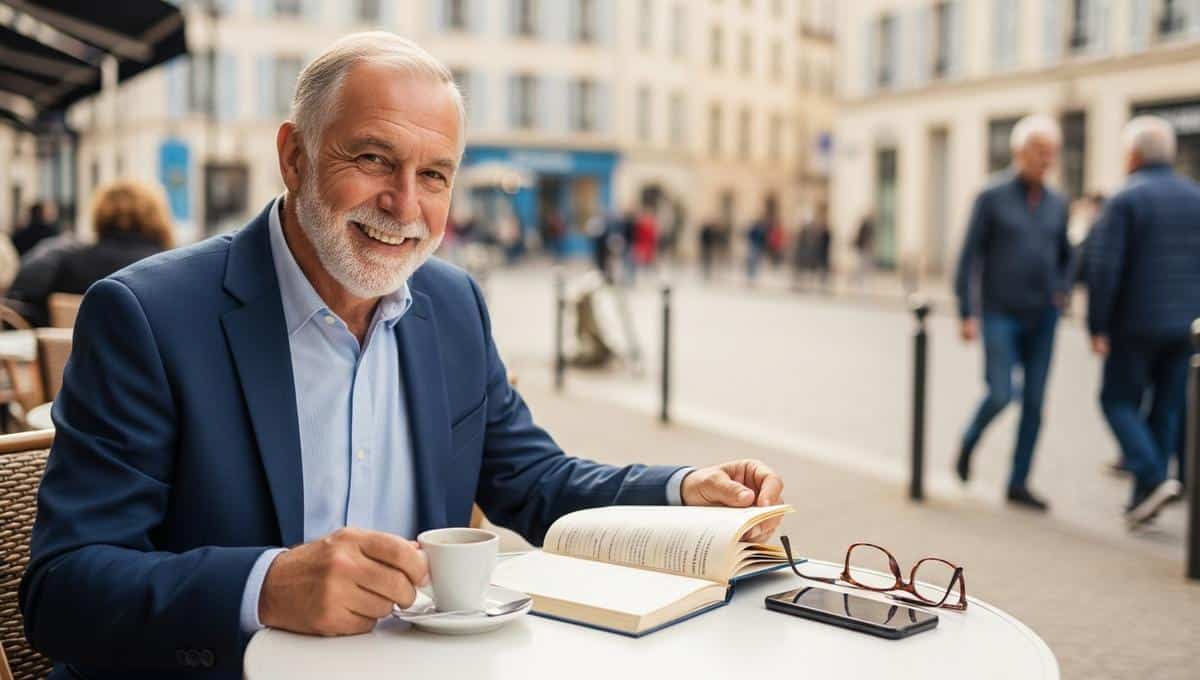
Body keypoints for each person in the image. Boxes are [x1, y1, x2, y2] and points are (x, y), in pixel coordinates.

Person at [19, 33, 785, 680]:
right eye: (375, 160)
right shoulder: (148, 316)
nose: (405, 205)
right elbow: (62, 590)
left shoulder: (452, 306)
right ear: (295, 157)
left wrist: (686, 490)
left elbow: (532, 480)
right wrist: (266, 587)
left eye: (435, 176)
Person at [952, 114, 1071, 512]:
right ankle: (969, 441)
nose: (1046, 160)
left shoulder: (1057, 203)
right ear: (1019, 152)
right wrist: (967, 311)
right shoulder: (992, 196)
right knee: (1001, 393)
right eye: (1040, 152)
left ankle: (1018, 482)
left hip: (1043, 316)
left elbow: (1067, 257)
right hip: (1000, 312)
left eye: (1051, 153)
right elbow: (968, 256)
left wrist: (1063, 290)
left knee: (1035, 403)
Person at [1087, 116, 1200, 528]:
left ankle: (1152, 477)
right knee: (1166, 410)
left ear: (1132, 156)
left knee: (1116, 401)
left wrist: (1097, 325)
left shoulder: (1124, 199)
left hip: (1135, 324)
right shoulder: (1195, 196)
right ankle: (1143, 501)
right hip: (1186, 326)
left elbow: (1104, 269)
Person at [8, 180, 174, 326]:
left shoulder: (65, 260)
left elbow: (19, 305)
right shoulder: (170, 269)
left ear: (100, 213)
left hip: (69, 358)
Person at [852, 213, 875, 288]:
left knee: (863, 264)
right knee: (862, 264)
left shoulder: (868, 225)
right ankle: (859, 280)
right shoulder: (866, 225)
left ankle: (861, 280)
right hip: (863, 247)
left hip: (864, 247)